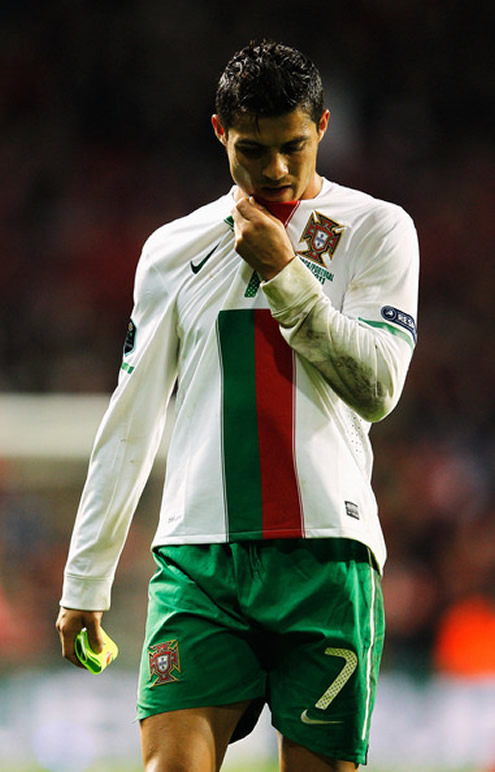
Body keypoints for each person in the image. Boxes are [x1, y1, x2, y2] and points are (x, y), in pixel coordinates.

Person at [56, 40, 419, 771]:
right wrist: (84, 579)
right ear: (220, 133)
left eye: (293, 145)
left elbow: (377, 388)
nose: (277, 169)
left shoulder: (376, 230)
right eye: (254, 150)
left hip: (325, 558)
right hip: (200, 559)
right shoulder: (172, 249)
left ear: (321, 125)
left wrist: (286, 274)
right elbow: (131, 419)